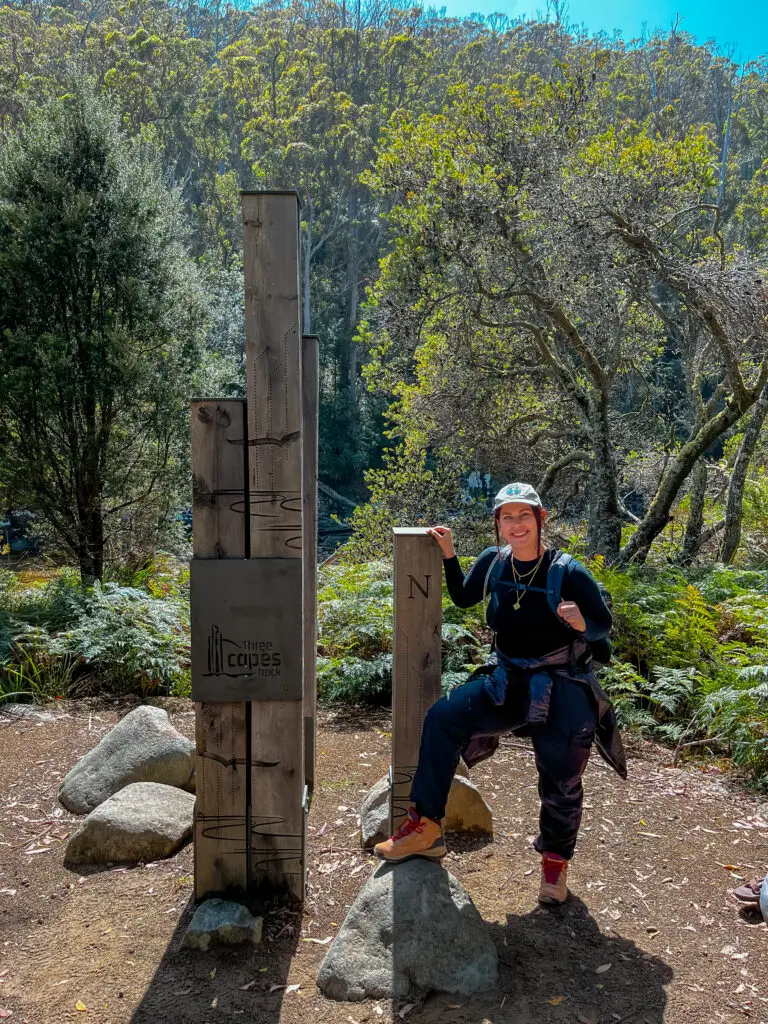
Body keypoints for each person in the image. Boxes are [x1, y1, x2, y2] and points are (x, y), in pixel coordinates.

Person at [374, 482, 627, 905]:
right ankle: (426, 828)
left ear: (541, 519)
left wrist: (583, 623)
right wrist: (450, 555)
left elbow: (603, 626)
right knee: (443, 718)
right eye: (507, 517)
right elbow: (464, 597)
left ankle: (554, 865)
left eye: (524, 515)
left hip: (561, 682)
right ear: (498, 523)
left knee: (561, 777)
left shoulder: (568, 572)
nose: (516, 524)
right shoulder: (494, 561)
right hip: (507, 678)